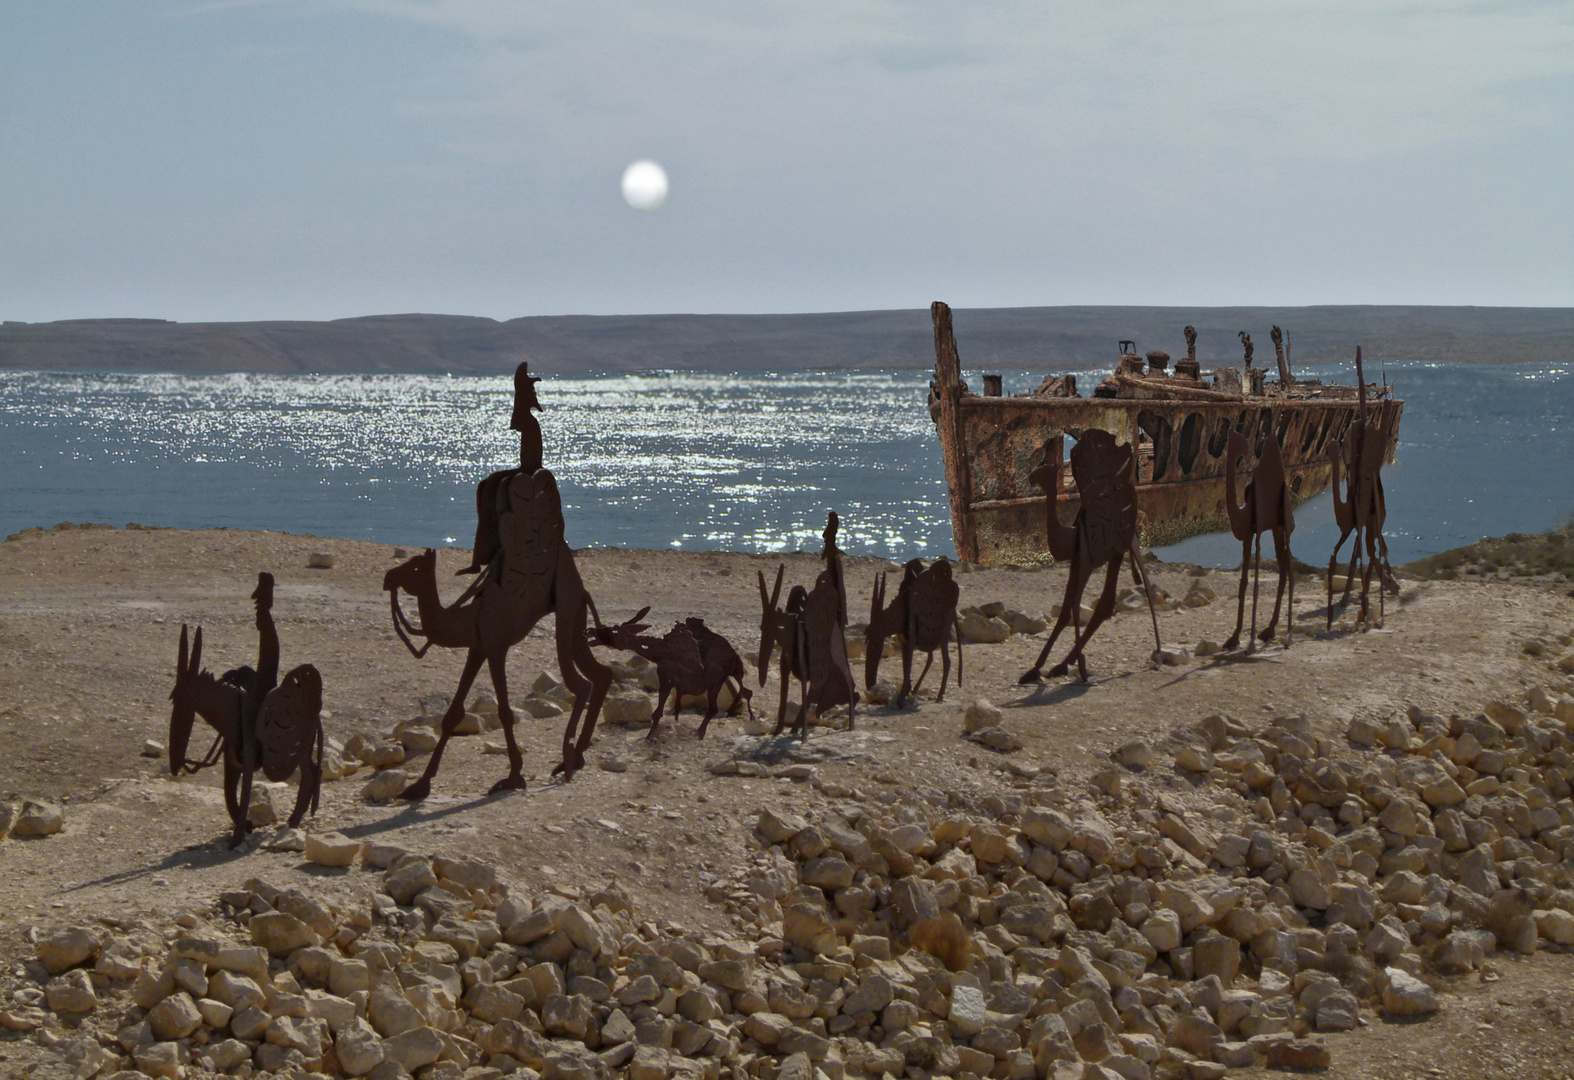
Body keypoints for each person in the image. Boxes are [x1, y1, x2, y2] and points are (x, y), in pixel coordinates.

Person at [458, 362, 544, 576]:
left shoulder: (532, 424)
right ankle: (481, 555)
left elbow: (532, 461)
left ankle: (484, 555)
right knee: (485, 485)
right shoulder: (529, 423)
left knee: (496, 483)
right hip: (526, 468)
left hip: (530, 471)